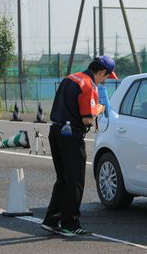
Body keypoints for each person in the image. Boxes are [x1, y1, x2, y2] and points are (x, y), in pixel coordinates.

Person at [41, 55, 117, 237]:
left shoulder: (70, 78)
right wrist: (100, 108)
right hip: (71, 135)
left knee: (63, 179)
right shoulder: (88, 85)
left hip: (56, 131)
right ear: (101, 72)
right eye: (106, 76)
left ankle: (52, 220)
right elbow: (87, 119)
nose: (104, 80)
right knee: (75, 180)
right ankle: (70, 223)